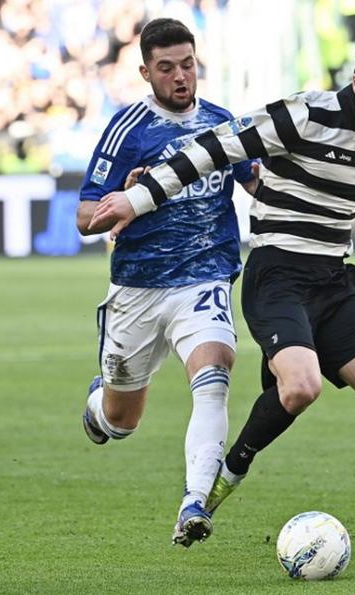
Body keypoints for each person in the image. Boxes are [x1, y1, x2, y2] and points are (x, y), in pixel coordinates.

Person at [89, 35, 355, 563]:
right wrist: (137, 199)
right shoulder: (302, 115)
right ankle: (226, 476)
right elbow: (212, 149)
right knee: (301, 387)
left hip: (334, 281)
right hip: (276, 275)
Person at [76, 18, 257, 548]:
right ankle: (99, 405)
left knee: (215, 372)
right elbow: (84, 218)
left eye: (187, 64)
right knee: (121, 421)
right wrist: (125, 201)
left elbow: (258, 183)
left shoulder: (223, 125)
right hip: (139, 289)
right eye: (166, 68)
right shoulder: (128, 130)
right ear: (145, 72)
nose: (180, 76)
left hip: (205, 279)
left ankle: (194, 503)